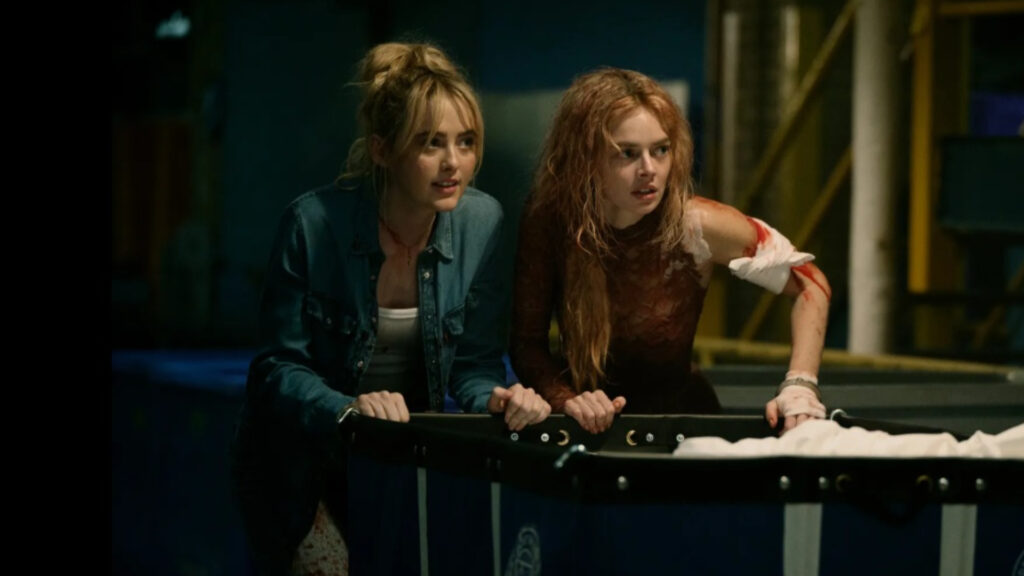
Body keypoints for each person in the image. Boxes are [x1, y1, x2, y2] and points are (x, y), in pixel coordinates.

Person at [231, 42, 551, 576]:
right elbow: (276, 369)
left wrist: (496, 399)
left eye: (466, 142)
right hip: (302, 459)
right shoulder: (312, 224)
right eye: (430, 143)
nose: (453, 163)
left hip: (398, 461)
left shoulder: (482, 222)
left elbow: (474, 365)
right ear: (382, 150)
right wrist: (347, 407)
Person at [510, 67, 830, 436]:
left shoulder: (695, 223)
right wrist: (566, 400)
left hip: (682, 427)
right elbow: (526, 344)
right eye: (627, 153)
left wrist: (801, 385)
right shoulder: (551, 218)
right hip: (589, 427)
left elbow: (811, 283)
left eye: (661, 150)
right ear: (585, 157)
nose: (649, 169)